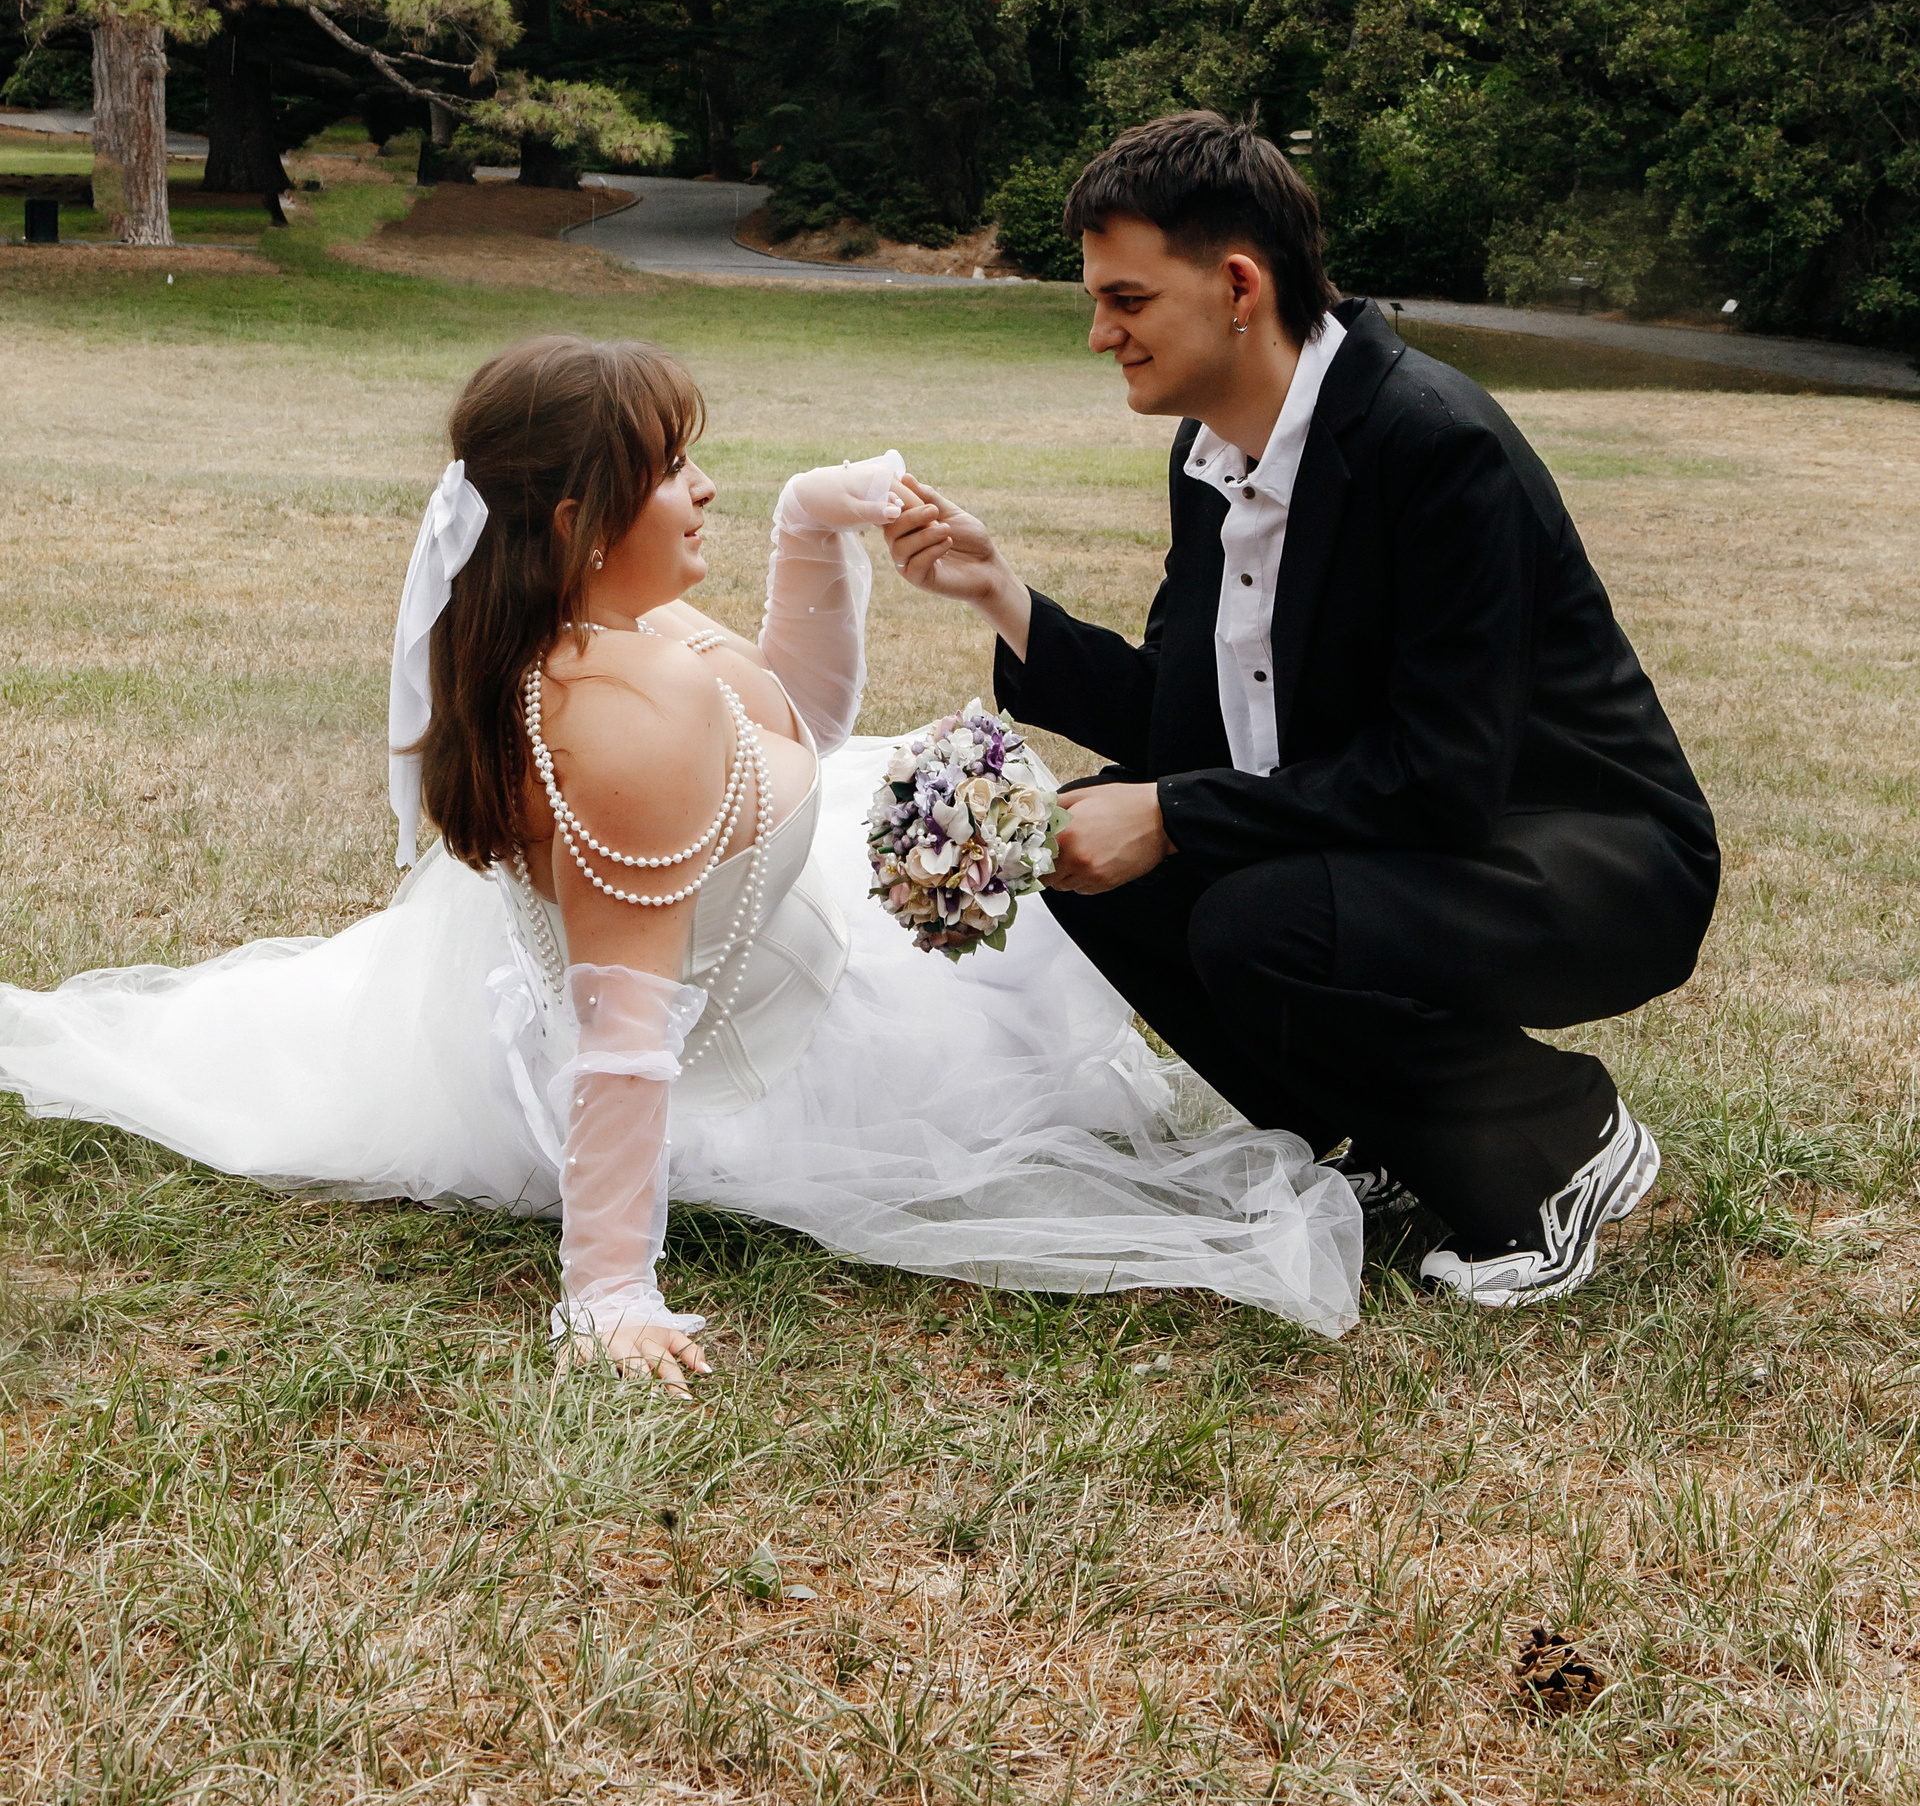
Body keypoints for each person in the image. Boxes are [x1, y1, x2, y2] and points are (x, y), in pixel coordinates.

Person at [0, 332, 1362, 1387]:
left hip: (775, 960)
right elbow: (627, 1035)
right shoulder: (622, 718)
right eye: (670, 469)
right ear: (580, 522)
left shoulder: (615, 630)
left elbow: (793, 721)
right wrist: (609, 1291)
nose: (703, 484)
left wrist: (807, 526)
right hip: (742, 1074)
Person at [886, 112, 1719, 1307]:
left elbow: (1441, 779)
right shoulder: (1210, 454)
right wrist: (1001, 595)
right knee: (1079, 846)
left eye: (1126, 299)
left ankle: (1558, 1143)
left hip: (1586, 862)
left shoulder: (1433, 443)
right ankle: (1378, 1136)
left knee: (1251, 914)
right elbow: (1190, 728)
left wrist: (1174, 814)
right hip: (1420, 837)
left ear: (1239, 287)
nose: (1098, 333)